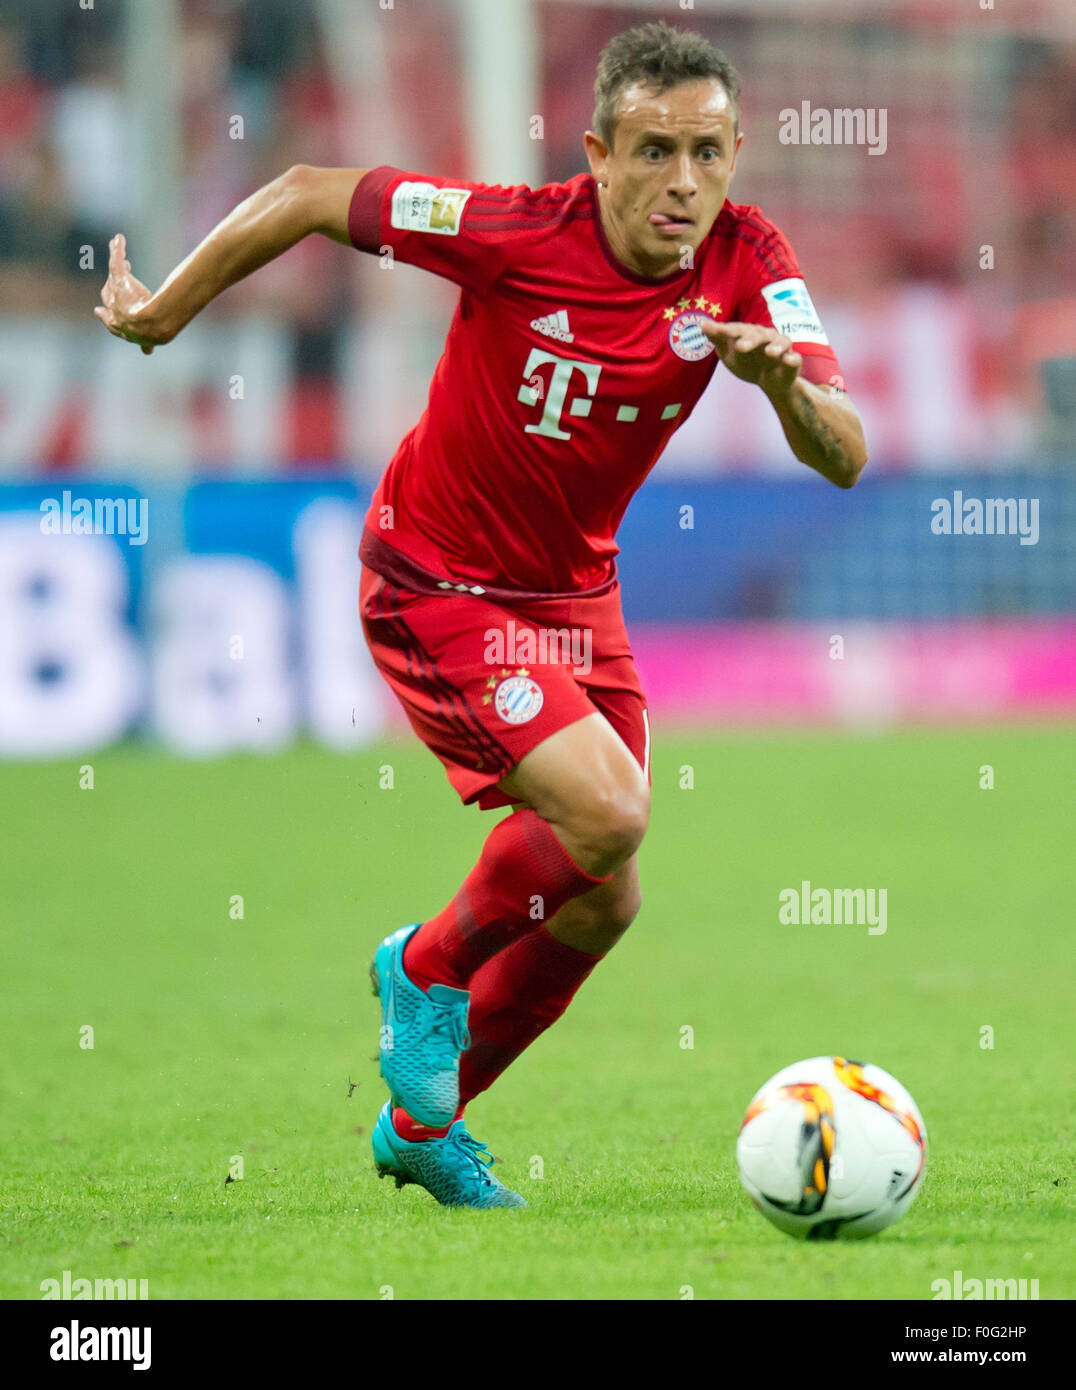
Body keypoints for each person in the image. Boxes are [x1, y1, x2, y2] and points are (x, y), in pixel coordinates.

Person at [96, 21, 867, 1210]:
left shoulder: (748, 256)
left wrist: (782, 393)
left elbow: (844, 453)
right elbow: (307, 193)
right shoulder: (513, 232)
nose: (682, 181)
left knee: (603, 896)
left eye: (707, 153)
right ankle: (422, 965)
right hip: (436, 579)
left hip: (576, 595)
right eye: (652, 151)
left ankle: (420, 1126)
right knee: (610, 812)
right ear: (596, 155)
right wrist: (165, 314)